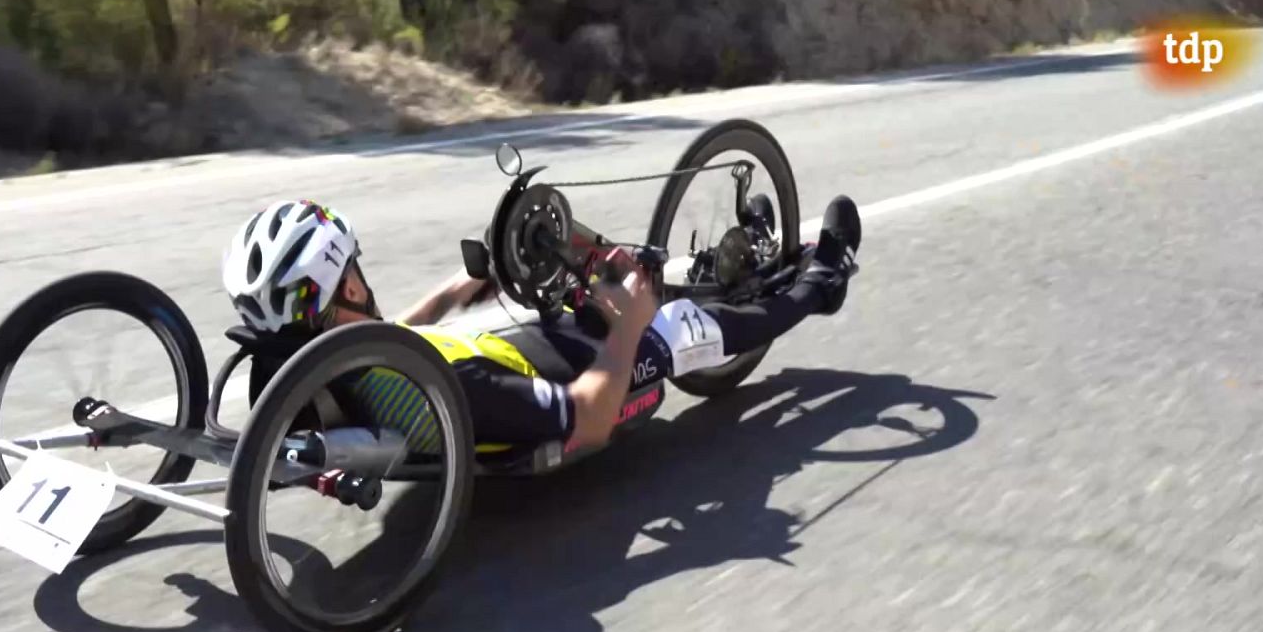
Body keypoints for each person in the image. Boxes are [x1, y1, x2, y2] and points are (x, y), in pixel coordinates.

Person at [221, 195, 862, 454]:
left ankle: (726, 260)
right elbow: (584, 421)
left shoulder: (360, 368)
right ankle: (817, 285)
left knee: (587, 262)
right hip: (582, 376)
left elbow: (401, 331)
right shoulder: (448, 393)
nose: (366, 279)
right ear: (345, 287)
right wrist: (629, 328)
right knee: (682, 325)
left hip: (521, 344)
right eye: (355, 273)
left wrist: (459, 287)